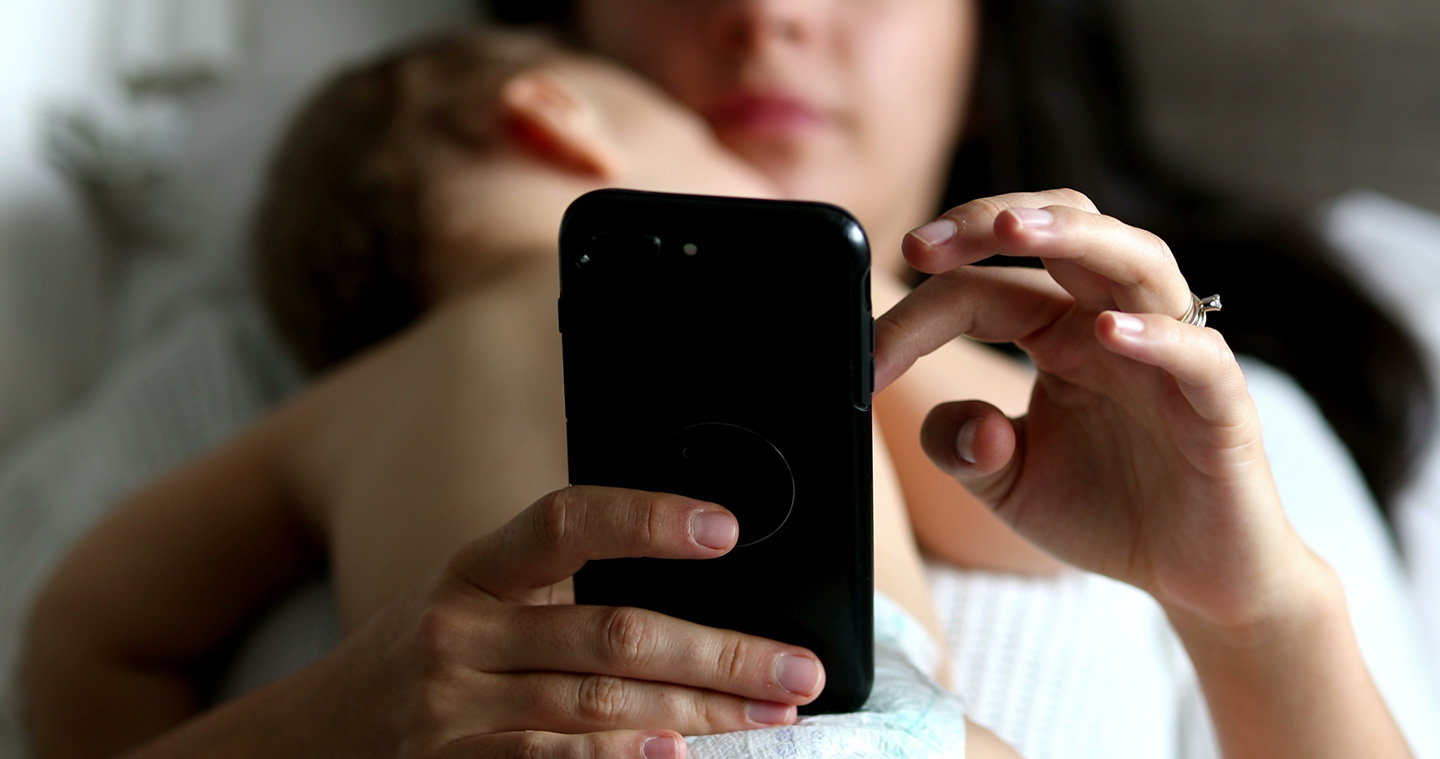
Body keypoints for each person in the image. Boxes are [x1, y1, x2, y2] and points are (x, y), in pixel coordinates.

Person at [19, 0, 1435, 756]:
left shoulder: (1208, 421)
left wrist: (1253, 605)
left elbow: (92, 636)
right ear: (558, 97)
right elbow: (989, 497)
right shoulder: (224, 375)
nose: (765, 14)